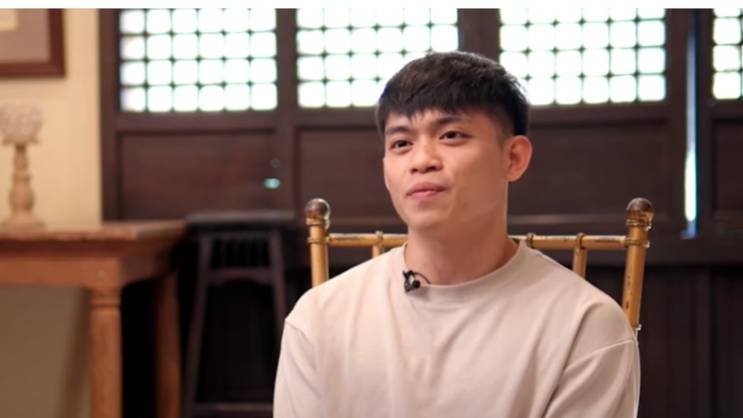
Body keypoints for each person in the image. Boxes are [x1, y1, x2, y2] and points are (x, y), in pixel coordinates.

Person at [274, 51, 639, 418]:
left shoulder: (586, 325)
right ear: (385, 168)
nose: (421, 160)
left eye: (451, 135)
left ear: (513, 158)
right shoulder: (319, 317)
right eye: (401, 143)